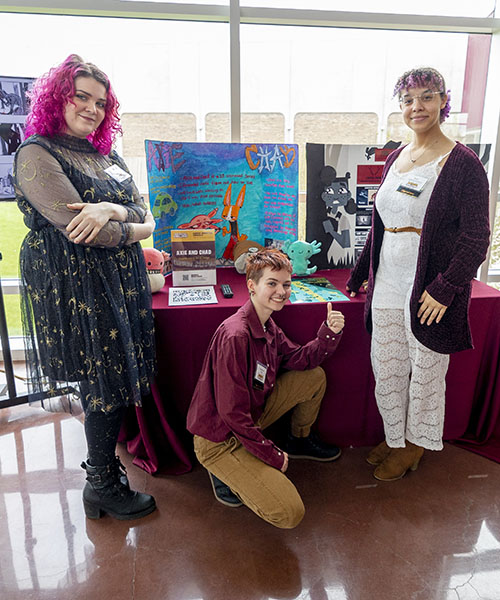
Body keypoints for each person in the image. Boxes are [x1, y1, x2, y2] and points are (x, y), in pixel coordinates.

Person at [14, 55, 157, 520]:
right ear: (58, 97)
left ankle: (104, 475)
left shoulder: (107, 156)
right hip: (73, 284)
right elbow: (82, 230)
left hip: (119, 279)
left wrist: (110, 211)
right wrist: (112, 219)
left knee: (111, 378)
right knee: (100, 378)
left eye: (101, 102)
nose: (92, 109)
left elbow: (146, 218)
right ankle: (100, 483)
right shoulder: (37, 153)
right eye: (81, 96)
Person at [347, 67, 490, 481]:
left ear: (444, 101)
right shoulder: (396, 157)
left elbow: (476, 237)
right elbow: (379, 225)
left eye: (426, 97)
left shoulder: (463, 165)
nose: (417, 107)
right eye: (408, 100)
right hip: (388, 283)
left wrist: (445, 288)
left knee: (426, 372)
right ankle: (396, 437)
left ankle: (415, 446)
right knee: (387, 368)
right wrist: (359, 276)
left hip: (430, 288)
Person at [187, 248, 345, 528]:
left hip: (251, 417)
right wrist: (271, 454)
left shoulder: (267, 324)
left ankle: (298, 439)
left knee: (313, 376)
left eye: (286, 284)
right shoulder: (235, 335)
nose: (281, 291)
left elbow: (298, 359)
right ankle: (221, 469)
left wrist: (328, 333)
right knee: (290, 513)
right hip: (220, 438)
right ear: (252, 286)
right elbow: (231, 414)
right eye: (272, 283)